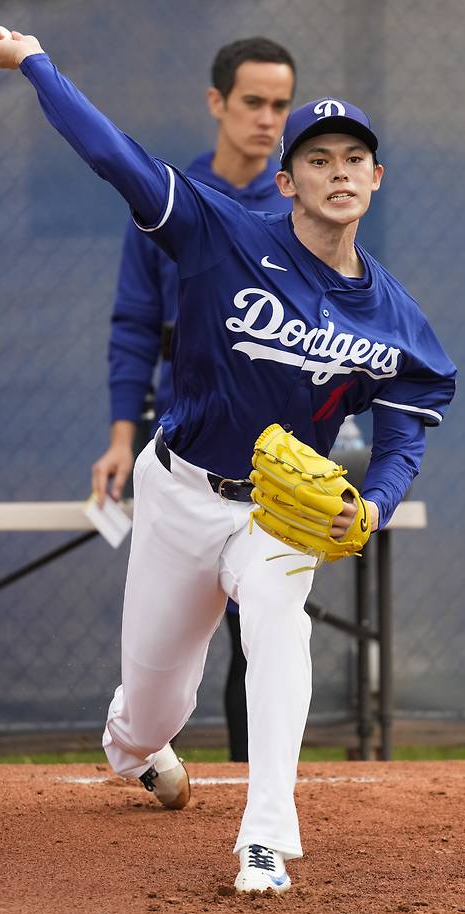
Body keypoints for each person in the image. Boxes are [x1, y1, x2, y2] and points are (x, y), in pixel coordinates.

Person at [0, 28, 457, 896]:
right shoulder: (220, 232)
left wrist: (377, 500)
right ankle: (135, 745)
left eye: (355, 159)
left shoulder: (397, 322)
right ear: (286, 179)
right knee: (158, 709)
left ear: (376, 180)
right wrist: (39, 61)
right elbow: (115, 157)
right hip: (179, 494)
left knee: (282, 625)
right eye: (318, 159)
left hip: (275, 514)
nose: (339, 171)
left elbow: (405, 427)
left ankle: (265, 837)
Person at [91, 38, 297, 763]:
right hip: (179, 443)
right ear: (217, 103)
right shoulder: (170, 201)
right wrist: (122, 436)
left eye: (281, 105)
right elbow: (135, 325)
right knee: (170, 634)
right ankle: (145, 738)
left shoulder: (299, 204)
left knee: (263, 621)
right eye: (253, 102)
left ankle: (253, 786)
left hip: (274, 452)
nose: (269, 119)